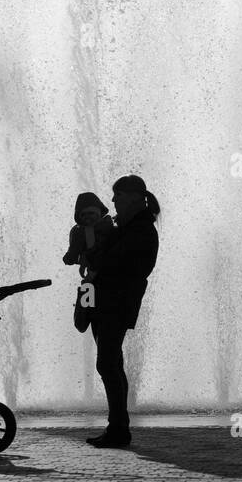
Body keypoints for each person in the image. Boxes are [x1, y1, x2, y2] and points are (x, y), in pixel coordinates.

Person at [87, 175, 160, 449]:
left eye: (117, 196)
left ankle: (118, 429)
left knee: (107, 363)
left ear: (131, 197)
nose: (114, 201)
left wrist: (98, 256)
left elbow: (117, 264)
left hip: (117, 304)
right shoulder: (128, 227)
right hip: (107, 302)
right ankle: (118, 427)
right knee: (111, 363)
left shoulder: (140, 229)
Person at [62, 193, 113, 333]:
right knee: (81, 323)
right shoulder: (80, 232)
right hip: (90, 285)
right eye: (83, 215)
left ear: (100, 212)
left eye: (91, 213)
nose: (88, 217)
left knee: (106, 333)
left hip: (109, 287)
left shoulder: (111, 228)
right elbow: (70, 257)